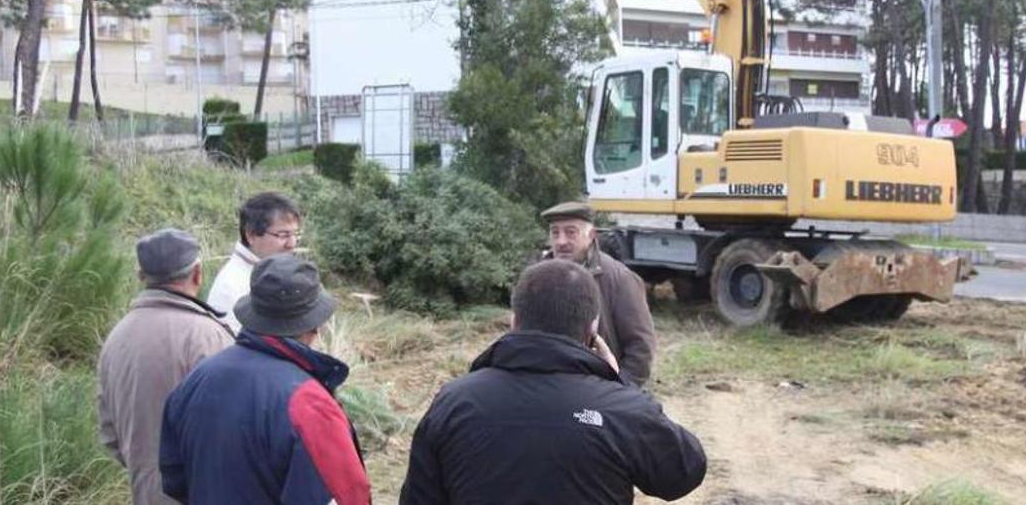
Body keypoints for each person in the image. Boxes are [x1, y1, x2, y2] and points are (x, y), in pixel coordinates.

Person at [400, 260, 707, 504]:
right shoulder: (620, 408)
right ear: (592, 328)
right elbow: (684, 472)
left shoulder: (452, 401)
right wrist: (619, 385)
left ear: (514, 321)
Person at [160, 254, 371, 505]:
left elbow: (174, 479)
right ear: (315, 326)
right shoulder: (309, 405)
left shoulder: (196, 380)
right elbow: (345, 496)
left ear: (254, 313)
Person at [97, 229, 234, 505]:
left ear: (141, 277)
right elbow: (233, 432)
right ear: (197, 273)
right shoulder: (208, 335)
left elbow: (110, 433)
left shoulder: (116, 337)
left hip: (146, 493)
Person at [540, 201, 656, 385]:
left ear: (591, 235)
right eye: (555, 232)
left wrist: (619, 391)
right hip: (547, 389)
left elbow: (640, 348)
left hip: (598, 392)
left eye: (571, 232)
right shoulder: (537, 279)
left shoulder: (619, 278)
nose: (561, 241)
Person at [207, 191, 302, 334]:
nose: (292, 244)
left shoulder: (269, 271)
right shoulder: (231, 287)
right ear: (251, 235)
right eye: (283, 235)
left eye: (296, 234)